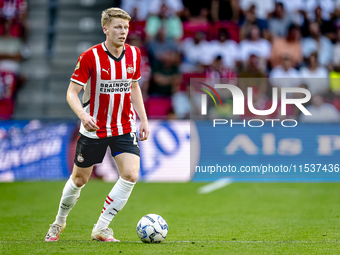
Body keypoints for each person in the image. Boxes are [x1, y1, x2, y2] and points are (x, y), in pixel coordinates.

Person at [44, 8, 149, 242]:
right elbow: (72, 93)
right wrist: (83, 115)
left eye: (126, 27)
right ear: (106, 29)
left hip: (123, 126)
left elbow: (133, 87)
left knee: (131, 174)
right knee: (79, 180)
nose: (123, 32)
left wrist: (143, 118)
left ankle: (101, 228)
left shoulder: (134, 54)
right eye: (118, 27)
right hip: (94, 128)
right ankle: (58, 222)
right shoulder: (90, 57)